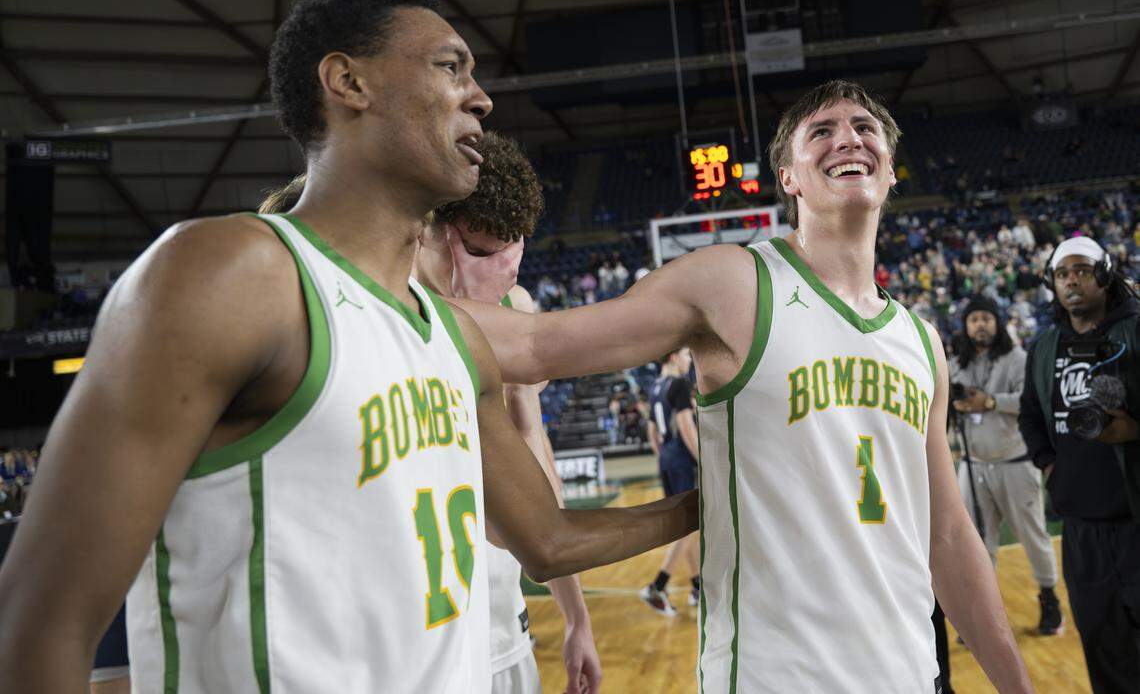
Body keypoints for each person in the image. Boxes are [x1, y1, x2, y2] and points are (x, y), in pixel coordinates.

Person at [0, 0, 697, 693]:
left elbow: (547, 543)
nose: (481, 97)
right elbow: (40, 619)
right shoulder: (226, 275)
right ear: (347, 81)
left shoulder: (455, 337)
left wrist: (702, 505)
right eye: (450, 67)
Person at [447, 80, 1034, 693]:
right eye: (822, 131)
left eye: (864, 127)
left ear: (890, 171)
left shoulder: (922, 343)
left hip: (912, 674)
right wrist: (384, 284)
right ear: (789, 178)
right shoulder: (734, 282)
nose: (848, 138)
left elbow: (947, 532)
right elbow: (537, 346)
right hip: (774, 678)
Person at [261, 132, 604, 694]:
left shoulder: (507, 313)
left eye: (511, 251)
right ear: (426, 230)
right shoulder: (360, 314)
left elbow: (541, 492)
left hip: (499, 618)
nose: (505, 271)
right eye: (483, 251)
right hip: (393, 638)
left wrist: (577, 619)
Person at [1019, 235, 1140, 694]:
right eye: (1063, 274)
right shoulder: (1044, 347)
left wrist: (1134, 432)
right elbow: (1031, 417)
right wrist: (1051, 465)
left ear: (1105, 276)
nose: (1071, 281)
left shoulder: (1135, 329)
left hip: (1135, 520)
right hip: (1081, 529)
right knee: (1103, 648)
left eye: (1082, 271)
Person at [949, 296, 1062, 634]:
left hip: (1015, 463)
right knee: (977, 546)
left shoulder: (1018, 359)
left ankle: (1049, 598)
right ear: (966, 327)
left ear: (996, 323)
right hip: (972, 465)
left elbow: (1033, 400)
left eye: (985, 318)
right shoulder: (956, 363)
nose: (979, 324)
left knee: (1034, 536)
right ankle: (983, 617)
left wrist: (992, 401)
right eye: (973, 320)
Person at [639, 347, 700, 617]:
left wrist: (663, 455)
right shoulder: (679, 384)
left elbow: (651, 430)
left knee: (688, 527)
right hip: (682, 459)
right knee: (689, 527)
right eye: (687, 354)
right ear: (674, 357)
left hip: (666, 458)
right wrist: (703, 459)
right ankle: (658, 585)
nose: (690, 359)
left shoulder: (655, 387)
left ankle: (698, 586)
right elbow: (686, 427)